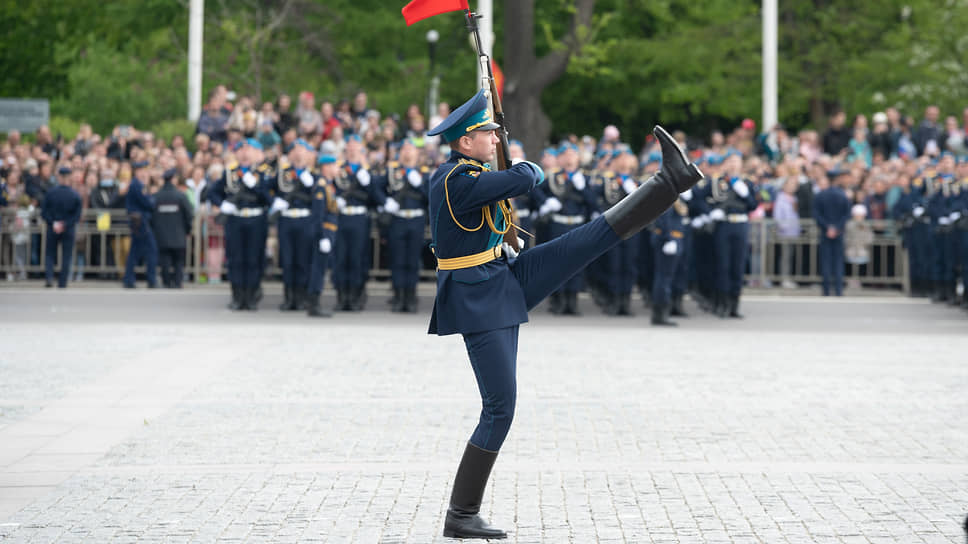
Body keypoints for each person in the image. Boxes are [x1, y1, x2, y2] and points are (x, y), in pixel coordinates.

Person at [426, 89, 702, 540]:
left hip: (502, 277)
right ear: (464, 142)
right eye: (487, 134)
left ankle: (671, 180)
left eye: (496, 133)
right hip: (478, 299)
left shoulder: (472, 173)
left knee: (590, 240)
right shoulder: (454, 180)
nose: (495, 139)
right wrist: (518, 163)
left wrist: (507, 168)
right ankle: (461, 513)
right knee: (500, 408)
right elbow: (527, 177)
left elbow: (509, 186)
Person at [210, 139, 271, 310]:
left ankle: (251, 297)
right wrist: (223, 205)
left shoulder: (263, 174)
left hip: (256, 220)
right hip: (235, 220)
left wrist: (258, 187)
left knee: (253, 259)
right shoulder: (229, 173)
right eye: (241, 149)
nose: (244, 152)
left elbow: (269, 198)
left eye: (248, 149)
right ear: (236, 154)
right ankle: (237, 297)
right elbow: (213, 192)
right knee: (236, 259)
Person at [381, 139, 430, 312]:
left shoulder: (423, 173)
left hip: (415, 220)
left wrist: (421, 186)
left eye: (411, 149)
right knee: (398, 259)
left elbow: (430, 197)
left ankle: (410, 297)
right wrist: (385, 202)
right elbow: (376, 188)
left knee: (412, 260)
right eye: (404, 149)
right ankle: (398, 296)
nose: (407, 152)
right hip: (398, 220)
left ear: (417, 153)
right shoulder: (392, 171)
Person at [271, 139, 318, 311]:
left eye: (302, 150)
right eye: (295, 150)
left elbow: (321, 197)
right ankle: (289, 297)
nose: (298, 153)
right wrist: (276, 202)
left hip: (305, 220)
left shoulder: (313, 175)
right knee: (288, 260)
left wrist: (312, 184)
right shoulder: (282, 174)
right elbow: (265, 189)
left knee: (303, 260)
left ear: (308, 154)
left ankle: (302, 296)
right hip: (287, 219)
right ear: (290, 154)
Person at [306, 153, 340, 318]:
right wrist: (321, 237)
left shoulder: (328, 185)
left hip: (329, 231)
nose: (337, 168)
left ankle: (315, 302)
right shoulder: (321, 185)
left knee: (321, 268)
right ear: (326, 167)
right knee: (318, 269)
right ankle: (313, 304)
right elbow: (318, 215)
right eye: (334, 165)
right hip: (324, 232)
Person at [41, 166, 82, 288]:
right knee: (66, 255)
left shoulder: (51, 193)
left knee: (50, 254)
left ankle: (49, 278)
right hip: (68, 228)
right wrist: (65, 224)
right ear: (69, 178)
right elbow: (77, 215)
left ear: (59, 177)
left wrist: (53, 223)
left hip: (53, 227)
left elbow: (44, 212)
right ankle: (62, 282)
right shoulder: (74, 195)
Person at [152, 169, 194, 288]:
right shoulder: (180, 196)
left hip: (161, 235)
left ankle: (166, 282)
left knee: (164, 260)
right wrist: (188, 229)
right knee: (178, 261)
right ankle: (177, 282)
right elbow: (189, 214)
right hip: (178, 234)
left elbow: (152, 215)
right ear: (173, 179)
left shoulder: (157, 196)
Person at [814, 169, 851, 296]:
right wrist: (837, 227)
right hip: (838, 232)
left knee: (826, 261)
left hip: (826, 232)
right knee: (838, 261)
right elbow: (847, 214)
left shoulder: (821, 195)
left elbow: (817, 215)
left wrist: (827, 227)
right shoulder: (843, 195)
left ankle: (826, 290)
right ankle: (838, 290)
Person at [123, 161, 159, 288]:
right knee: (151, 250)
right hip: (140, 222)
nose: (144, 173)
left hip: (138, 221)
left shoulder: (137, 184)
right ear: (137, 171)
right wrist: (153, 200)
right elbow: (147, 203)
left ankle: (129, 279)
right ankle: (151, 280)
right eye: (142, 171)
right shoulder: (137, 185)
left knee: (135, 251)